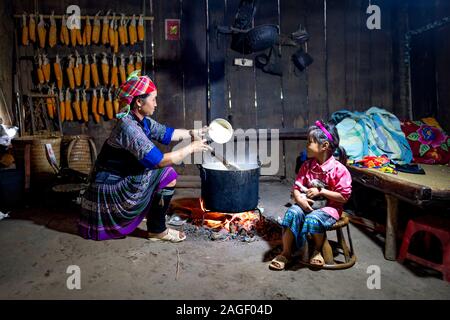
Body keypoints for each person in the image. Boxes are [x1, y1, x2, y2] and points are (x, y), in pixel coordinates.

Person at [78, 71, 210, 242]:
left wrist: (194, 132)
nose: (156, 104)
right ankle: (157, 231)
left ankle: (153, 221)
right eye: (153, 99)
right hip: (110, 185)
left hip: (123, 176)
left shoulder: (141, 120)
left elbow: (167, 134)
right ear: (139, 102)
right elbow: (159, 161)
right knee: (167, 174)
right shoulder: (129, 127)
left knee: (160, 173)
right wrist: (191, 148)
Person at [269, 120, 352, 270]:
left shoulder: (339, 170)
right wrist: (299, 198)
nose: (306, 145)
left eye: (310, 142)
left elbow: (344, 197)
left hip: (330, 208)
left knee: (313, 219)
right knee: (292, 213)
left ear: (324, 146)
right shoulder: (307, 166)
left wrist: (321, 191)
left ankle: (316, 250)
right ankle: (286, 253)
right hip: (308, 204)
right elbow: (296, 187)